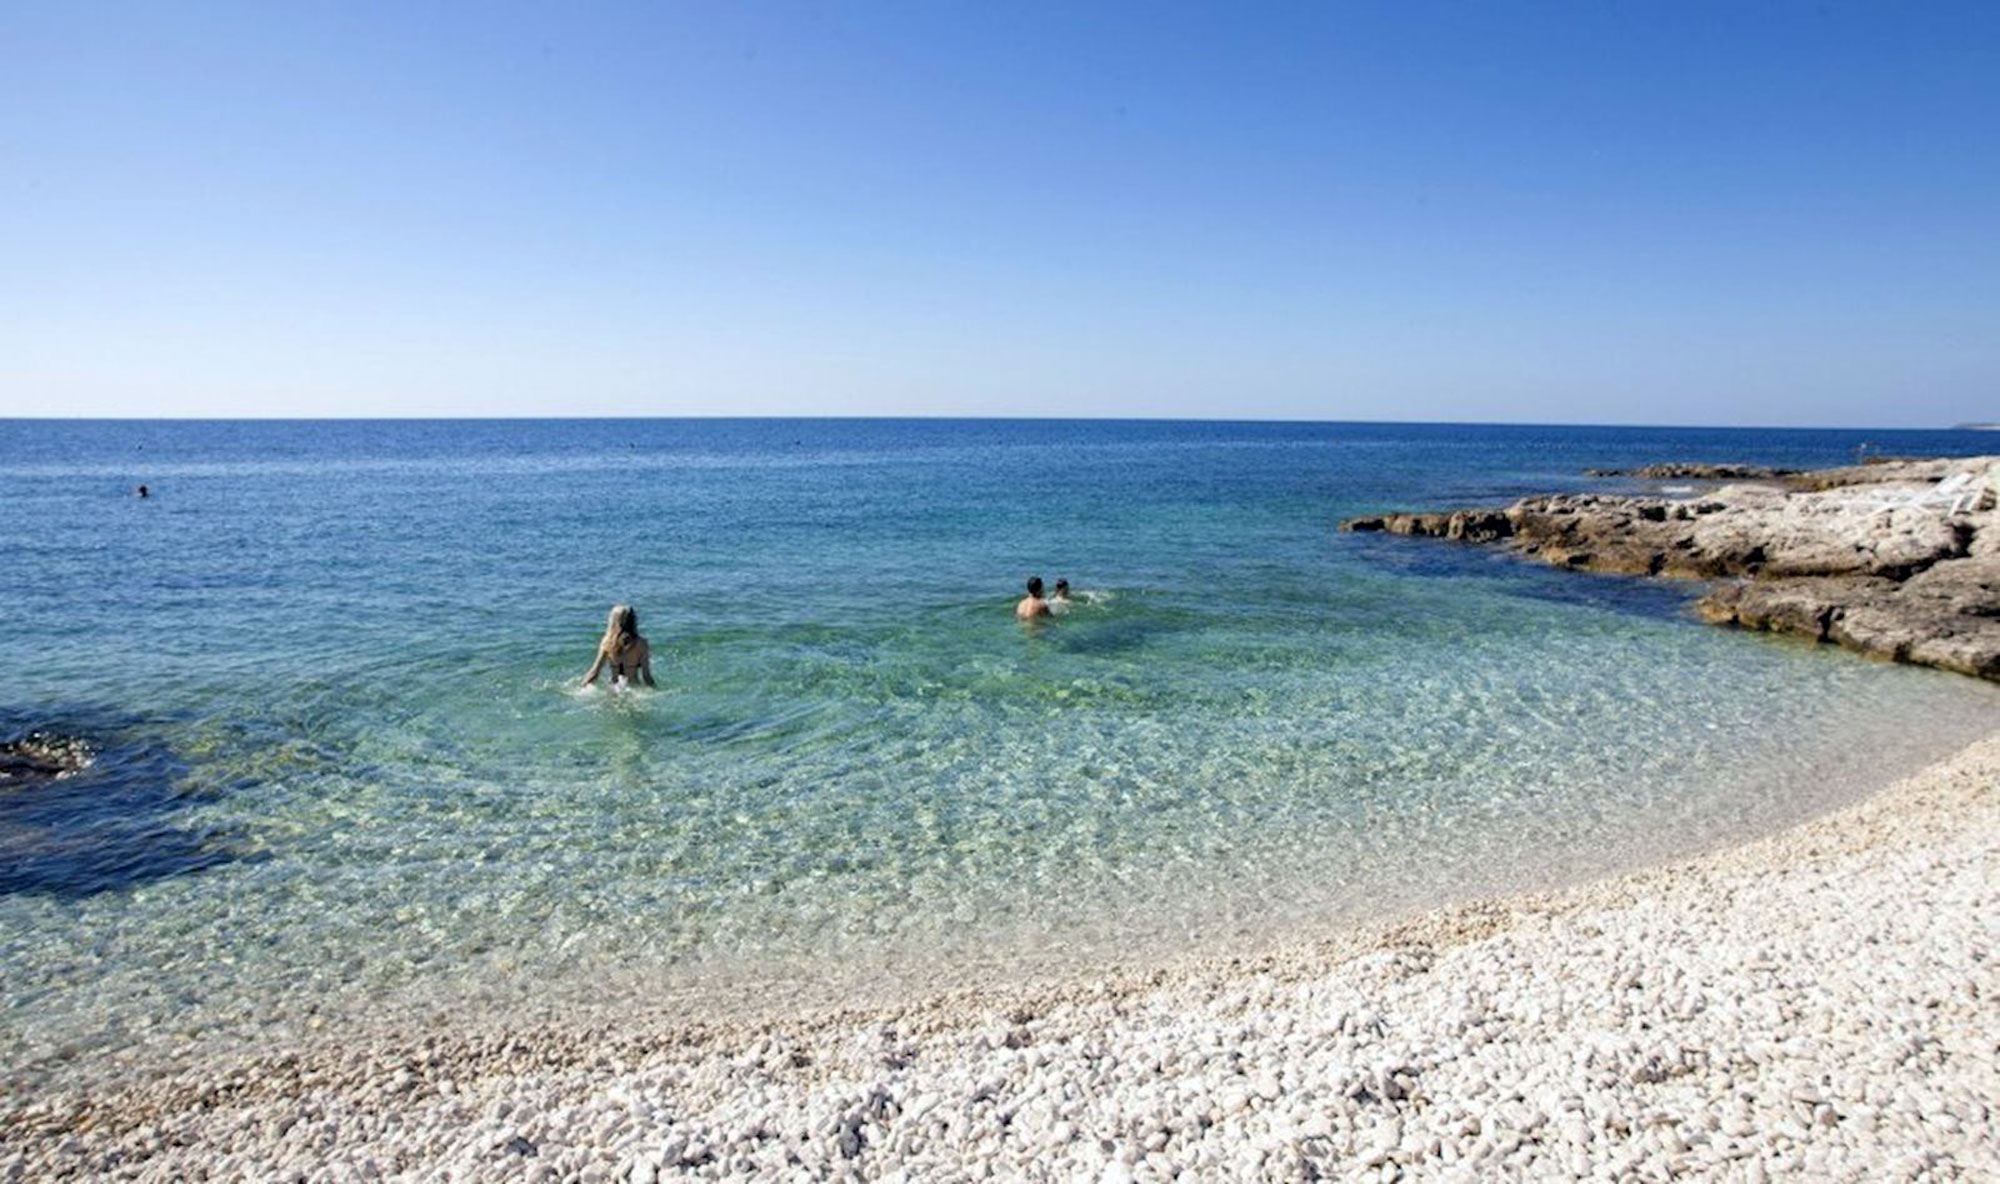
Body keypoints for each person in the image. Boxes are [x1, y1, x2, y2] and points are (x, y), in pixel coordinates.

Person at [580, 604, 656, 687]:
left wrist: (581, 687)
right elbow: (646, 676)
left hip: (614, 688)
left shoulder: (607, 642)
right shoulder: (641, 644)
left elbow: (595, 672)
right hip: (633, 687)